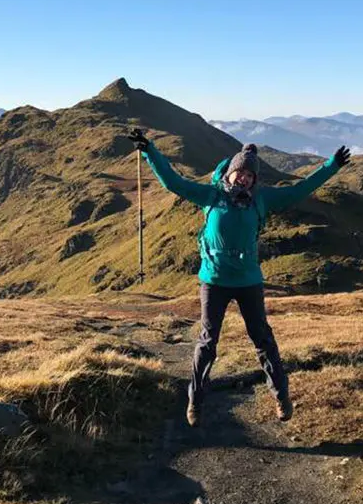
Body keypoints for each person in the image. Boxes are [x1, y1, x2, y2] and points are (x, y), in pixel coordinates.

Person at [127, 129, 351, 427]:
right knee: (208, 342)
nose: (244, 178)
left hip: (248, 280)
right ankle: (195, 400)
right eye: (240, 172)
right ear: (231, 173)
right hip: (214, 280)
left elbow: (300, 189)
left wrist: (331, 166)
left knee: (263, 340)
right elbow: (173, 182)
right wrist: (149, 151)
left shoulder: (262, 199)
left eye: (250, 175)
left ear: (255, 180)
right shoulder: (211, 195)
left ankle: (281, 396)